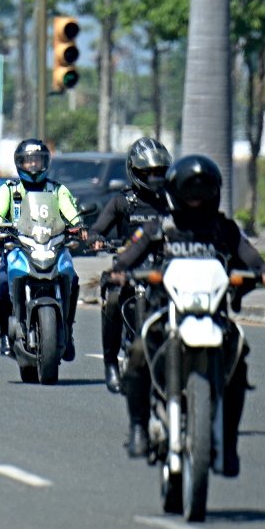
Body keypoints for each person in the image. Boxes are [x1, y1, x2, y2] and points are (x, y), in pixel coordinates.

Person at [110, 154, 265, 468]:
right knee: (136, 355)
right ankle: (137, 429)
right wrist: (119, 269)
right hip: (168, 313)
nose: (197, 200)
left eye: (203, 192)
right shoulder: (160, 226)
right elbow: (129, 255)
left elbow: (250, 256)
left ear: (215, 193)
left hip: (213, 315)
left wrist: (264, 268)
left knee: (239, 361)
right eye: (190, 192)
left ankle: (228, 442)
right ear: (175, 193)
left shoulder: (224, 229)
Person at [87, 137, 172, 393]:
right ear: (134, 172)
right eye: (148, 172)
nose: (154, 176)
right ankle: (111, 363)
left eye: (159, 171)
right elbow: (98, 228)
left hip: (164, 266)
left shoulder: (172, 202)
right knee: (113, 296)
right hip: (130, 267)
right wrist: (95, 238)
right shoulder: (122, 202)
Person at [0, 139, 83, 358]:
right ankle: (5, 333)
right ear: (19, 163)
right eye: (28, 161)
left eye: (37, 160)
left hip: (52, 245)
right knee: (3, 283)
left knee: (73, 278)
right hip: (18, 246)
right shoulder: (8, 189)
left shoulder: (56, 189)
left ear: (45, 162)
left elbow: (71, 212)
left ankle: (67, 331)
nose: (33, 166)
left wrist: (78, 225)